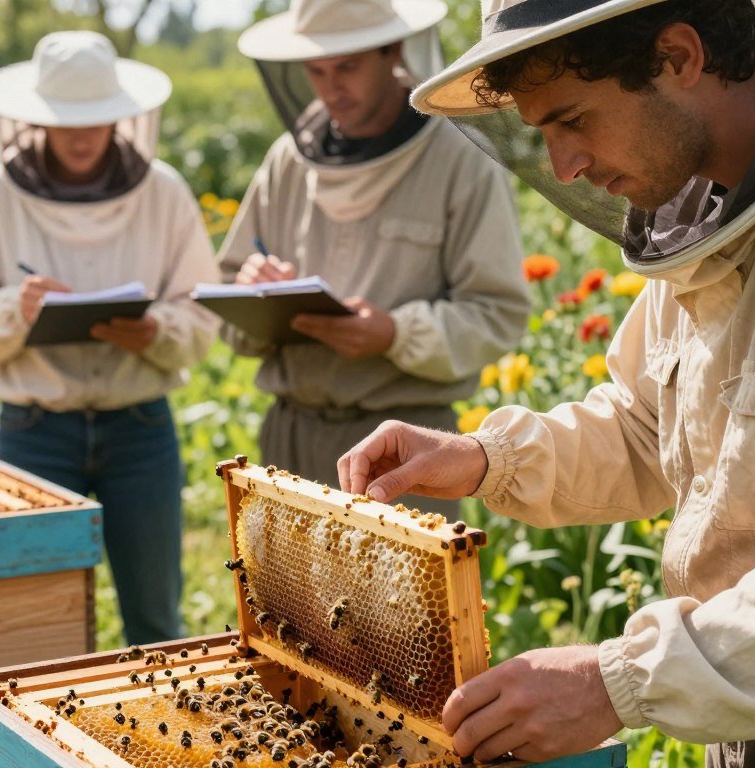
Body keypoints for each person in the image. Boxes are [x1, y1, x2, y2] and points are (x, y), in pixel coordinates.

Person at [340, 0, 755, 764]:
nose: (565, 165)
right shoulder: (712, 198)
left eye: (573, 119)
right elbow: (651, 424)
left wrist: (616, 682)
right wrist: (482, 458)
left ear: (678, 56)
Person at [0, 31, 219, 646]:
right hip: (34, 431)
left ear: (123, 114)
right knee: (30, 625)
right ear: (34, 118)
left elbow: (204, 315)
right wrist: (18, 308)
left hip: (140, 429)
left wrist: (153, 332)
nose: (83, 136)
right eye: (66, 123)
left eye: (98, 120)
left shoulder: (163, 192)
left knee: (156, 621)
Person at [217, 0, 530, 516]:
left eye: (347, 67)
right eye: (315, 71)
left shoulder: (460, 158)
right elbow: (226, 301)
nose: (330, 86)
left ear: (392, 51)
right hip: (288, 434)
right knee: (284, 599)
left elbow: (498, 315)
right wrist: (255, 290)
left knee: (402, 601)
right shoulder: (285, 161)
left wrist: (395, 334)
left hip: (403, 450)